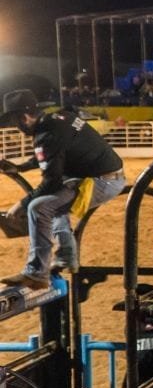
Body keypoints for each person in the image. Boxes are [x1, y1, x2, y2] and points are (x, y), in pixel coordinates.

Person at [0, 89, 125, 290]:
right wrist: (21, 167)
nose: (17, 128)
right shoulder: (60, 118)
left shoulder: (46, 135)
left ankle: (36, 272)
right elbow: (55, 151)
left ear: (24, 118)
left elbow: (51, 181)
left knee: (38, 208)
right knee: (54, 201)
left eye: (15, 123)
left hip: (99, 182)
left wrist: (21, 204)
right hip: (104, 176)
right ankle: (66, 256)